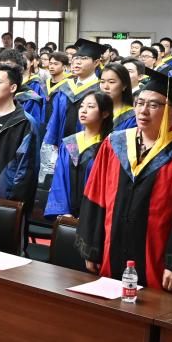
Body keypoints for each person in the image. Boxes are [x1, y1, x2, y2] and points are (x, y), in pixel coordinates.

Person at [76, 68, 172, 299]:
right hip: (113, 251)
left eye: (154, 105)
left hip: (160, 261)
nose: (143, 111)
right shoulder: (115, 144)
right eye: (140, 103)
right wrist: (92, 249)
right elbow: (95, 197)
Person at [0, 66, 41, 207]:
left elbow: (26, 169)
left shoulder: (25, 122)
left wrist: (14, 203)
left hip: (7, 200)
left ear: (13, 88)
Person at [46, 90, 113, 218]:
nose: (83, 110)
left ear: (105, 113)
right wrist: (64, 213)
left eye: (90, 107)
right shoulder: (69, 143)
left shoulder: (109, 147)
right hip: (66, 216)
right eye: (82, 106)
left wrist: (88, 217)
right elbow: (59, 179)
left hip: (93, 217)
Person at [43, 39, 104, 147]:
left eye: (84, 58)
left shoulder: (101, 90)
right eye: (76, 58)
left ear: (96, 63)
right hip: (62, 148)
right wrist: (51, 146)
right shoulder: (65, 87)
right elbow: (55, 120)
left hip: (89, 149)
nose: (78, 62)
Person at [98, 62, 135, 132]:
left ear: (124, 85)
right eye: (102, 82)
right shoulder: (93, 110)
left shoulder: (132, 117)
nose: (105, 87)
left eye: (111, 82)